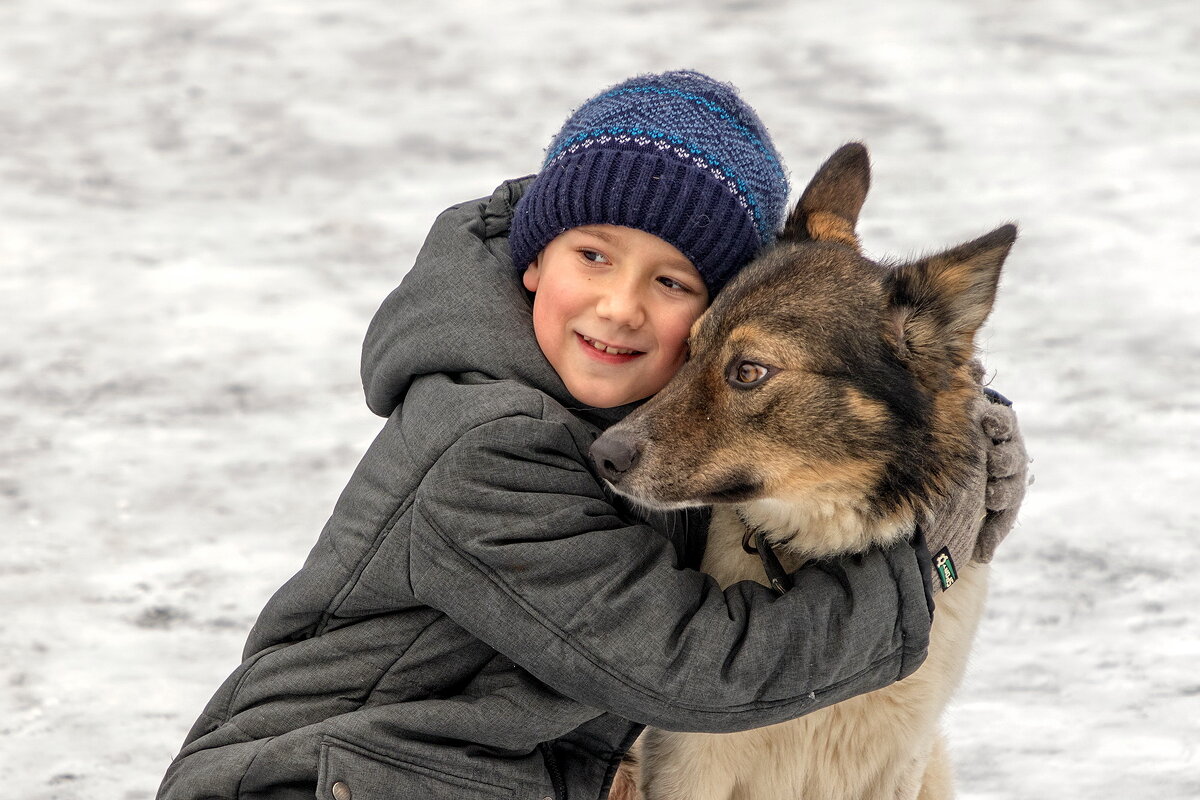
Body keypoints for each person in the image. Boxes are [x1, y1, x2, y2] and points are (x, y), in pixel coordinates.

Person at [157, 70, 1028, 800]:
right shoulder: (483, 450)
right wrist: (934, 564)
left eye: (673, 280)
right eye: (594, 256)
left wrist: (962, 421)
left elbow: (850, 351)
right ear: (534, 258)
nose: (621, 305)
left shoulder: (640, 402)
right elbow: (693, 669)